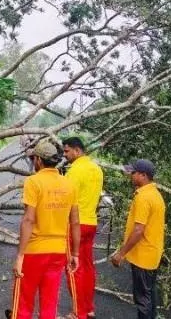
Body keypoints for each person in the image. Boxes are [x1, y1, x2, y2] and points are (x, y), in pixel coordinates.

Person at [7, 140, 81, 319]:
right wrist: (75, 254)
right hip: (57, 252)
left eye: (34, 158)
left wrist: (20, 255)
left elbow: (29, 219)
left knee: (23, 303)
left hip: (34, 251)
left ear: (39, 160)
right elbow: (76, 222)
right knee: (49, 304)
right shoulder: (69, 185)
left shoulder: (33, 182)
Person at [110, 159, 165, 319]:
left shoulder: (144, 197)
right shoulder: (155, 194)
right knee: (149, 295)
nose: (130, 175)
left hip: (144, 256)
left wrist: (121, 254)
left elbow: (139, 230)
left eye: (133, 173)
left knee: (142, 299)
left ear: (143, 175)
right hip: (152, 254)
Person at [62, 136, 104, 319]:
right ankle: (89, 308)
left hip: (75, 226)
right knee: (87, 267)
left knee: (73, 267)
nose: (65, 154)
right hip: (91, 223)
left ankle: (78, 312)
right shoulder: (97, 169)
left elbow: (67, 201)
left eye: (67, 150)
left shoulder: (74, 172)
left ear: (77, 151)